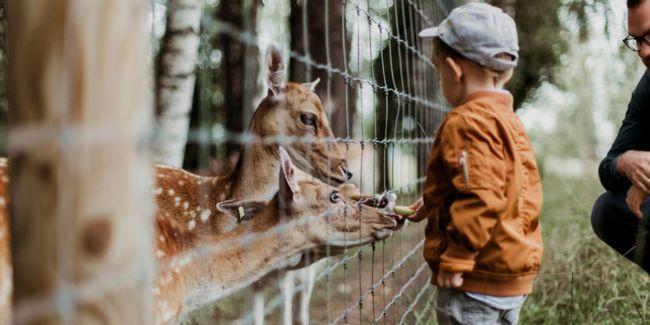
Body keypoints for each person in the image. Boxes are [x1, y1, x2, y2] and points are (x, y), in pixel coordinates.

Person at [407, 3, 543, 324]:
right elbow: (503, 186)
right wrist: (432, 202)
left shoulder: (466, 122)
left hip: (474, 278)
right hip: (510, 275)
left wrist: (458, 257)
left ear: (454, 70)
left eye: (438, 70)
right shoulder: (508, 120)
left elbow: (481, 195)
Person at [590, 0, 650, 273]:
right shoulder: (648, 88)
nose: (644, 51)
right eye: (637, 40)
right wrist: (626, 163)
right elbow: (608, 167)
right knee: (608, 210)